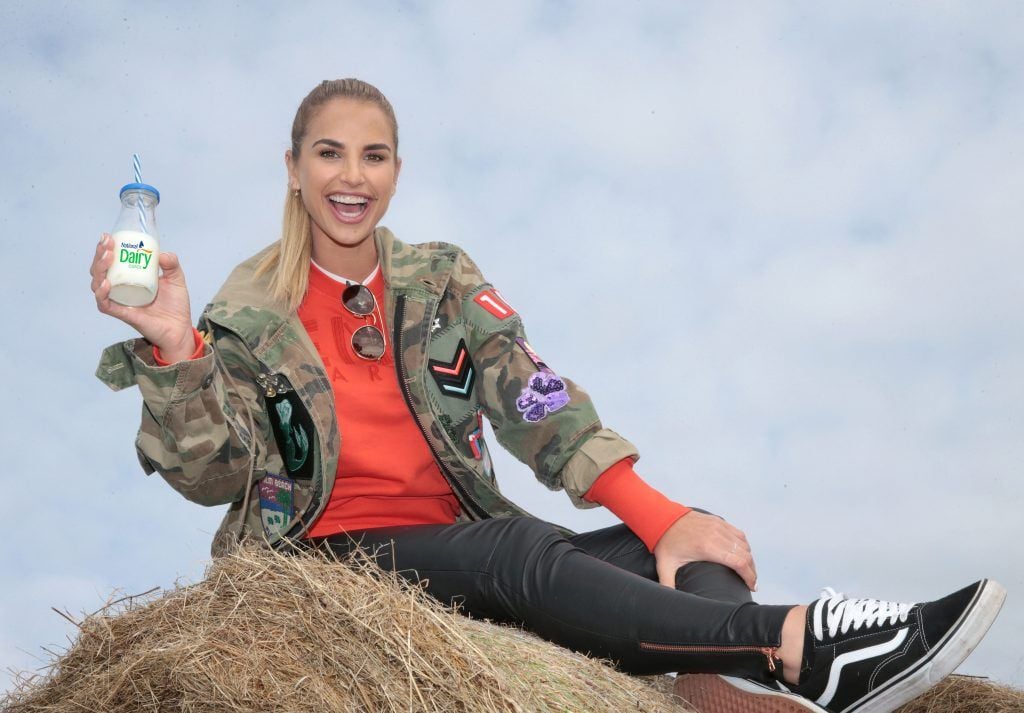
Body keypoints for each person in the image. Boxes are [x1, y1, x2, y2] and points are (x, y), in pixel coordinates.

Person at [91, 78, 1004, 713]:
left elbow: (535, 400)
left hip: (453, 546)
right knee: (515, 548)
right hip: (324, 565)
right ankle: (805, 646)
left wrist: (662, 517)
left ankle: (715, 689)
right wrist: (175, 347)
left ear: (397, 172)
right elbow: (215, 476)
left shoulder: (441, 280)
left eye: (374, 156)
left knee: (672, 540)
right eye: (329, 154)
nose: (351, 177)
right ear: (292, 167)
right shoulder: (244, 312)